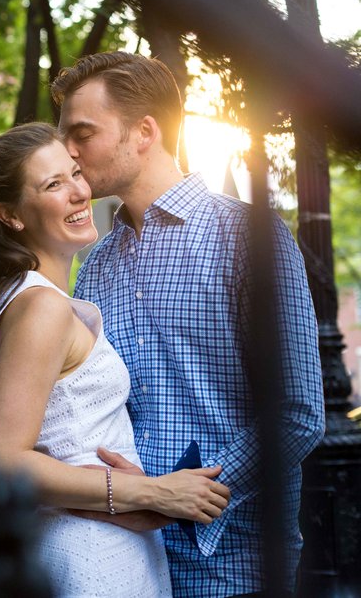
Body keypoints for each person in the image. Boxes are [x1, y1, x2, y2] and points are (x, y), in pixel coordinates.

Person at [51, 51, 326, 597]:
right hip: (122, 559)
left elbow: (298, 414)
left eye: (83, 132)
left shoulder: (250, 238)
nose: (69, 153)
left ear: (145, 131)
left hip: (234, 564)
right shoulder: (96, 265)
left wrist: (180, 493)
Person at [0, 121, 231, 598]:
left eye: (74, 174)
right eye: (52, 184)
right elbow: (5, 461)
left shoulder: (9, 301)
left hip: (102, 541)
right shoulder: (41, 308)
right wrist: (150, 491)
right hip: (92, 555)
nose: (78, 192)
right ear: (10, 215)